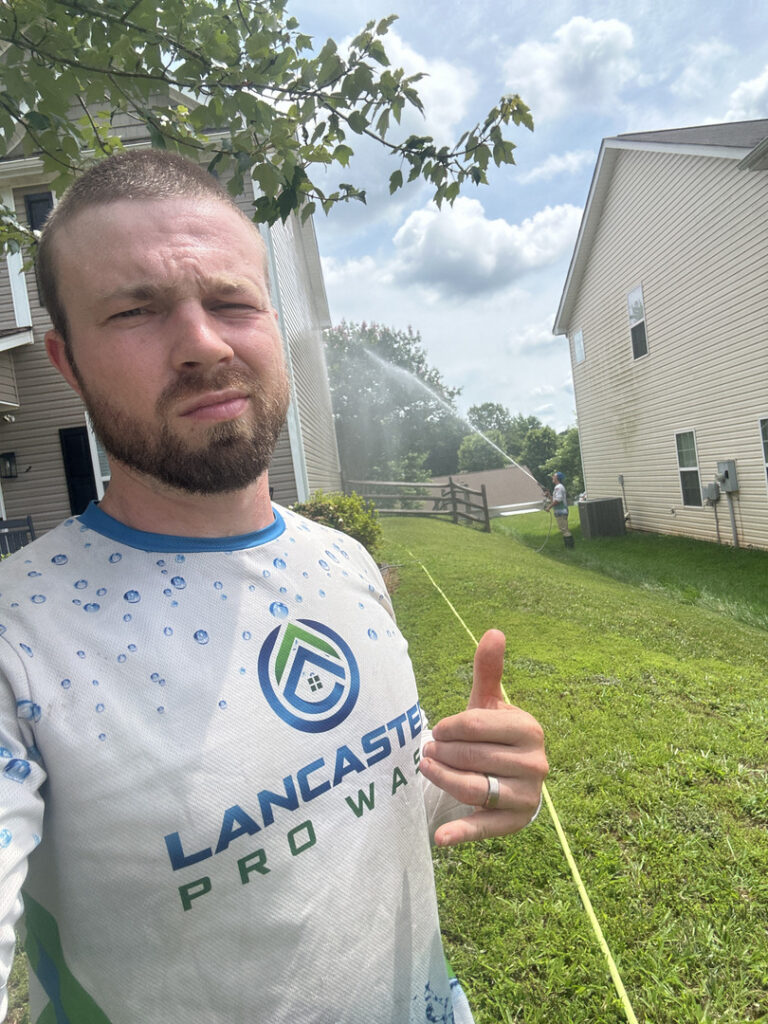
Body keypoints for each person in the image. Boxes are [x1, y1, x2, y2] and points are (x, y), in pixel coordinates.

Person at [0, 150, 548, 1024]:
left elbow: (348, 804)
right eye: (136, 310)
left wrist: (477, 778)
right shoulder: (21, 638)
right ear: (66, 363)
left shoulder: (342, 561)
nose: (203, 344)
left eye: (230, 302)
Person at [547, 471, 574, 548]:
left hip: (561, 511)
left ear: (557, 478)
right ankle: (569, 547)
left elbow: (558, 500)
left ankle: (570, 547)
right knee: (563, 529)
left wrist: (549, 507)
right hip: (560, 511)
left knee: (564, 530)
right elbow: (555, 500)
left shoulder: (559, 487)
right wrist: (549, 495)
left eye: (554, 476)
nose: (552, 477)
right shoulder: (557, 487)